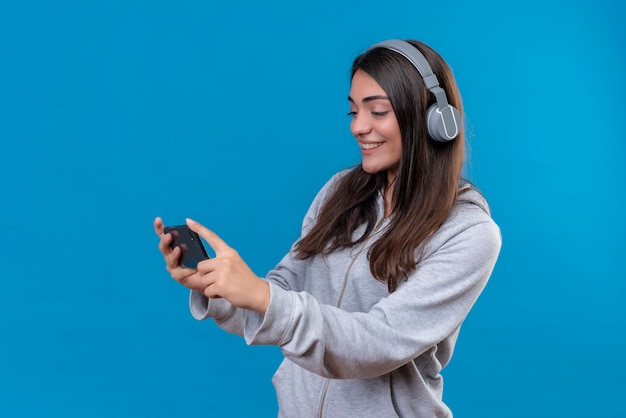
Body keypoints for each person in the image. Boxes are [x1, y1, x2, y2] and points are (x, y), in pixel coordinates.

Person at [154, 39, 501, 417]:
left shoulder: (468, 233)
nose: (358, 126)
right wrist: (220, 289)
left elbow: (376, 343)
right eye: (353, 111)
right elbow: (280, 299)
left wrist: (260, 295)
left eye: (377, 111)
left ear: (434, 119)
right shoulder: (340, 192)